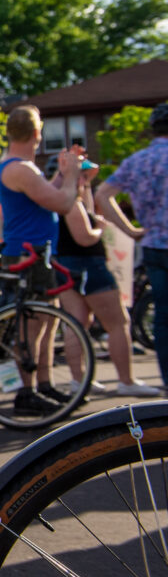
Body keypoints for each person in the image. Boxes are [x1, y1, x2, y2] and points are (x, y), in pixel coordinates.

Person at [0, 105, 81, 415]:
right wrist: (72, 177)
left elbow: (47, 194)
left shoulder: (23, 168)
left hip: (37, 252)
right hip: (27, 254)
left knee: (48, 321)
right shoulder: (20, 169)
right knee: (33, 326)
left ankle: (44, 384)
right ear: (36, 134)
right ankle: (26, 391)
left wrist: (61, 173)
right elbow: (62, 203)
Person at [54, 158, 159, 396]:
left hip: (69, 266)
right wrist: (100, 229)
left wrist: (87, 183)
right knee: (118, 323)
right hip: (88, 265)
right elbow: (85, 236)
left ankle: (79, 380)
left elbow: (88, 211)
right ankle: (126, 380)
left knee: (78, 322)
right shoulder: (70, 202)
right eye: (81, 176)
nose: (84, 180)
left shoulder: (67, 199)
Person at [96, 101, 168, 386]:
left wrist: (129, 229)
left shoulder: (137, 161)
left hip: (152, 243)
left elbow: (103, 195)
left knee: (163, 316)